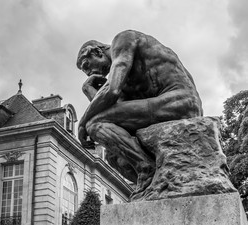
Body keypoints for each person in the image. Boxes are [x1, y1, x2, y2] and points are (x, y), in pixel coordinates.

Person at [76, 30, 203, 193]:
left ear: (97, 51)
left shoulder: (123, 41)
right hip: (163, 106)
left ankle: (146, 169)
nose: (89, 73)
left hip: (181, 101)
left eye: (87, 65)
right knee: (115, 157)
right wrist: (88, 90)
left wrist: (83, 123)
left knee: (94, 124)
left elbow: (112, 91)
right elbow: (113, 111)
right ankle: (155, 185)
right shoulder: (125, 74)